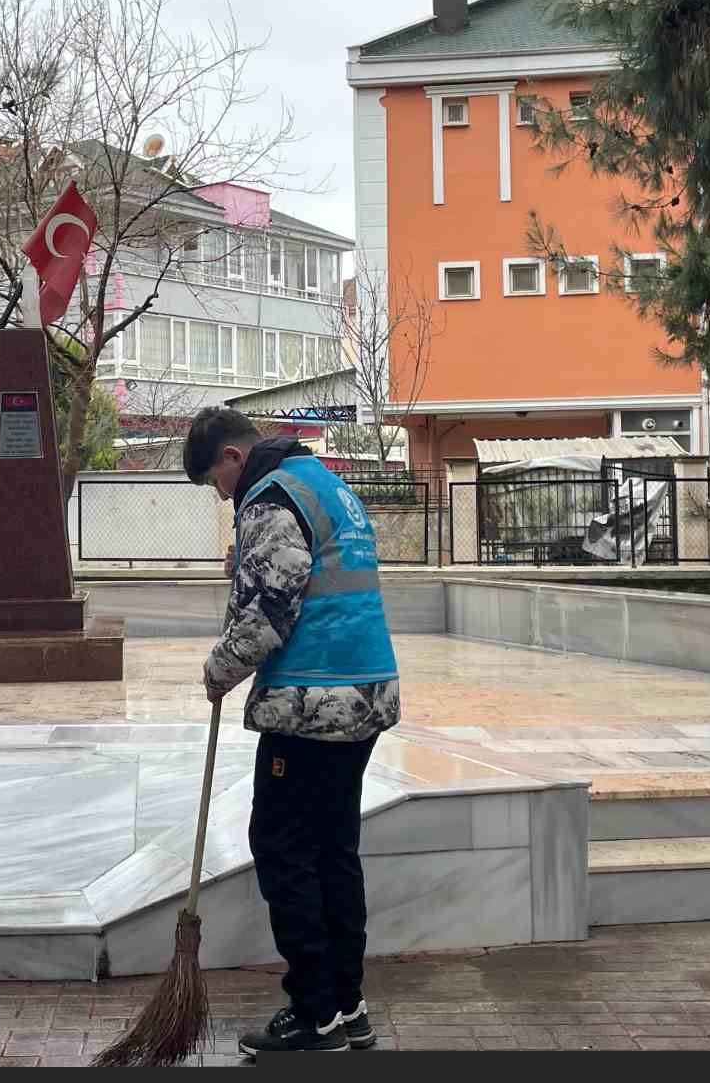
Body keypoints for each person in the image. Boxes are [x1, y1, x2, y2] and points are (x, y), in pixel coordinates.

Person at [183, 407, 401, 1055]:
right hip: (364, 690)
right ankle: (347, 1002)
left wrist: (219, 669)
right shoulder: (324, 482)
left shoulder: (268, 497)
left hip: (312, 697)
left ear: (230, 457)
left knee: (282, 846)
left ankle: (314, 1015)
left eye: (217, 485)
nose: (225, 498)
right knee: (333, 848)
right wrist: (246, 564)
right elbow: (313, 568)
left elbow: (274, 609)